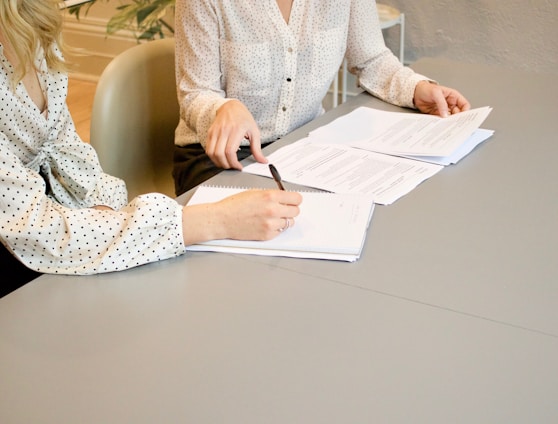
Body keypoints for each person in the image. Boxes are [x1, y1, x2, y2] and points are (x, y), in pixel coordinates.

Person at [0, 0, 302, 297]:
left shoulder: (31, 25)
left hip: (57, 236)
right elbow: (35, 229)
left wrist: (105, 211)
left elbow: (66, 152)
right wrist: (216, 220)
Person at [173, 0, 472, 195]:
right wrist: (223, 109)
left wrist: (416, 88)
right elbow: (196, 93)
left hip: (303, 148)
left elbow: (371, 59)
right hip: (218, 159)